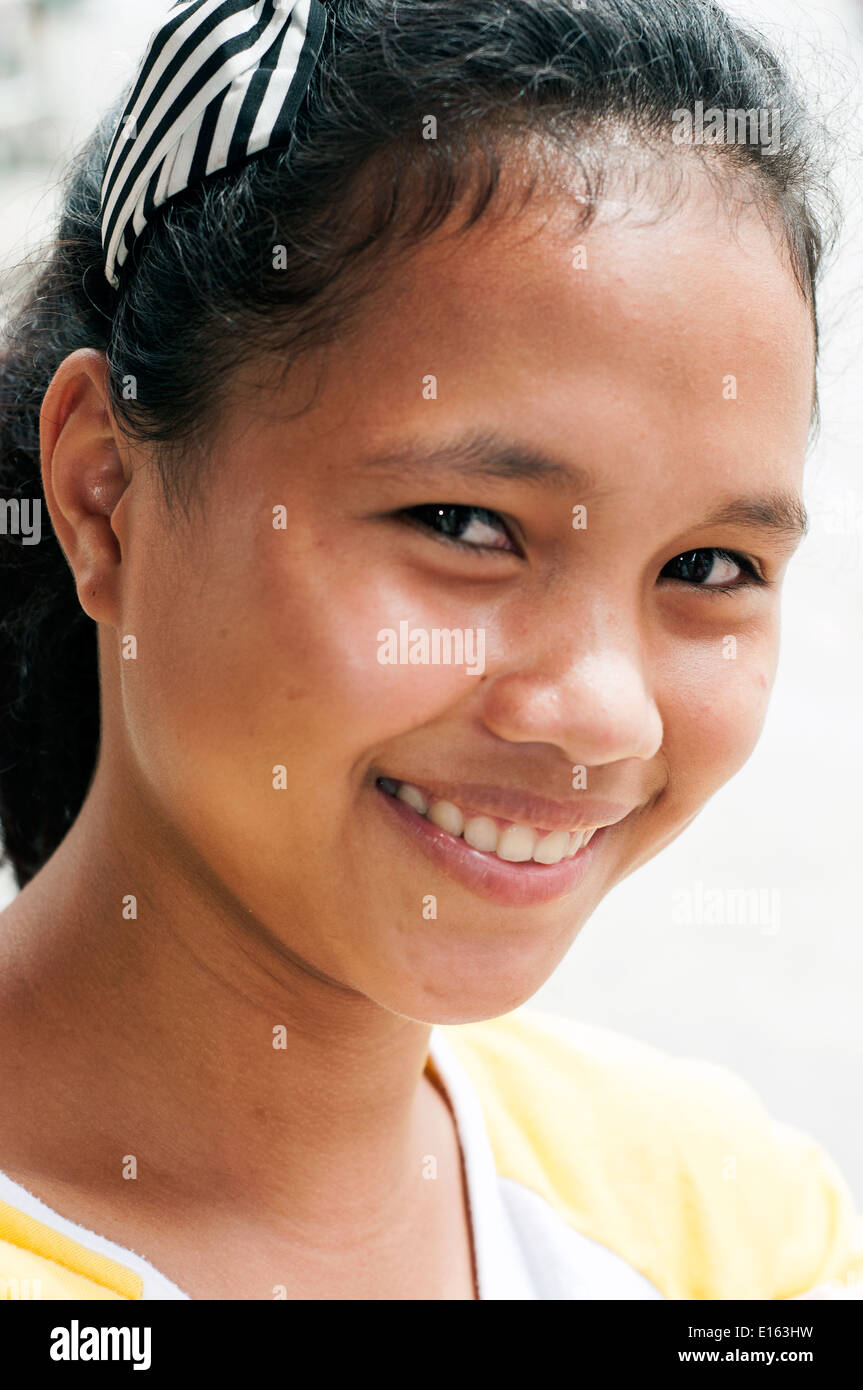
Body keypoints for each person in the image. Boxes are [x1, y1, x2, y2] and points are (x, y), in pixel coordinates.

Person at [0, 0, 860, 1301]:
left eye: (708, 568)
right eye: (465, 525)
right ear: (103, 493)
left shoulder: (727, 1230)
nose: (601, 712)